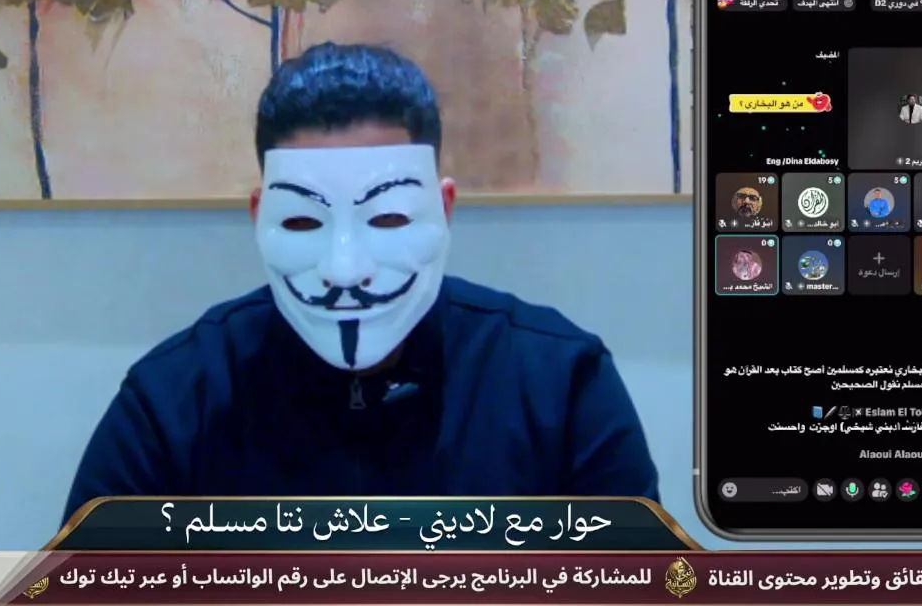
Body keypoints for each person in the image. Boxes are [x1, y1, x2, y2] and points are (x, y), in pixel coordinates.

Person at [62, 43, 659, 523]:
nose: (345, 271)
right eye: (303, 221)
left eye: (389, 218)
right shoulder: (177, 398)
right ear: (259, 215)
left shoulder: (558, 382)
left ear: (444, 208)